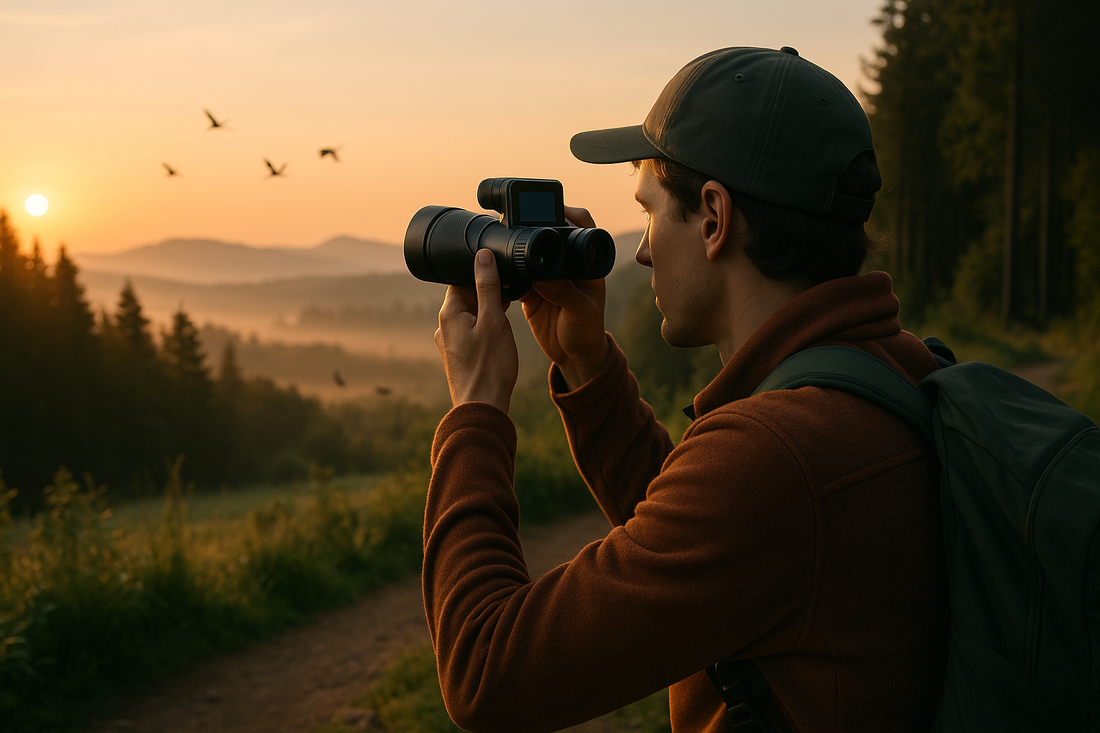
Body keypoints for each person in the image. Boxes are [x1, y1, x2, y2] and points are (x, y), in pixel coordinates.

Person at [423, 46, 948, 733]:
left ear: (712, 217)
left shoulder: (779, 454)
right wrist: (587, 367)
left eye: (648, 213)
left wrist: (476, 411)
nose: (640, 252)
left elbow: (488, 671)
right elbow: (696, 540)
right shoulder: (893, 370)